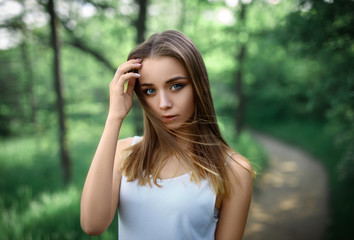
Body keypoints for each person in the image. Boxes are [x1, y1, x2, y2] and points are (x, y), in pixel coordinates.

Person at [80, 30, 254, 240]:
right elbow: (92, 225)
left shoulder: (233, 170)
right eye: (149, 91)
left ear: (199, 85)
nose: (164, 104)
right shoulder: (124, 154)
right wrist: (114, 118)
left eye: (176, 86)